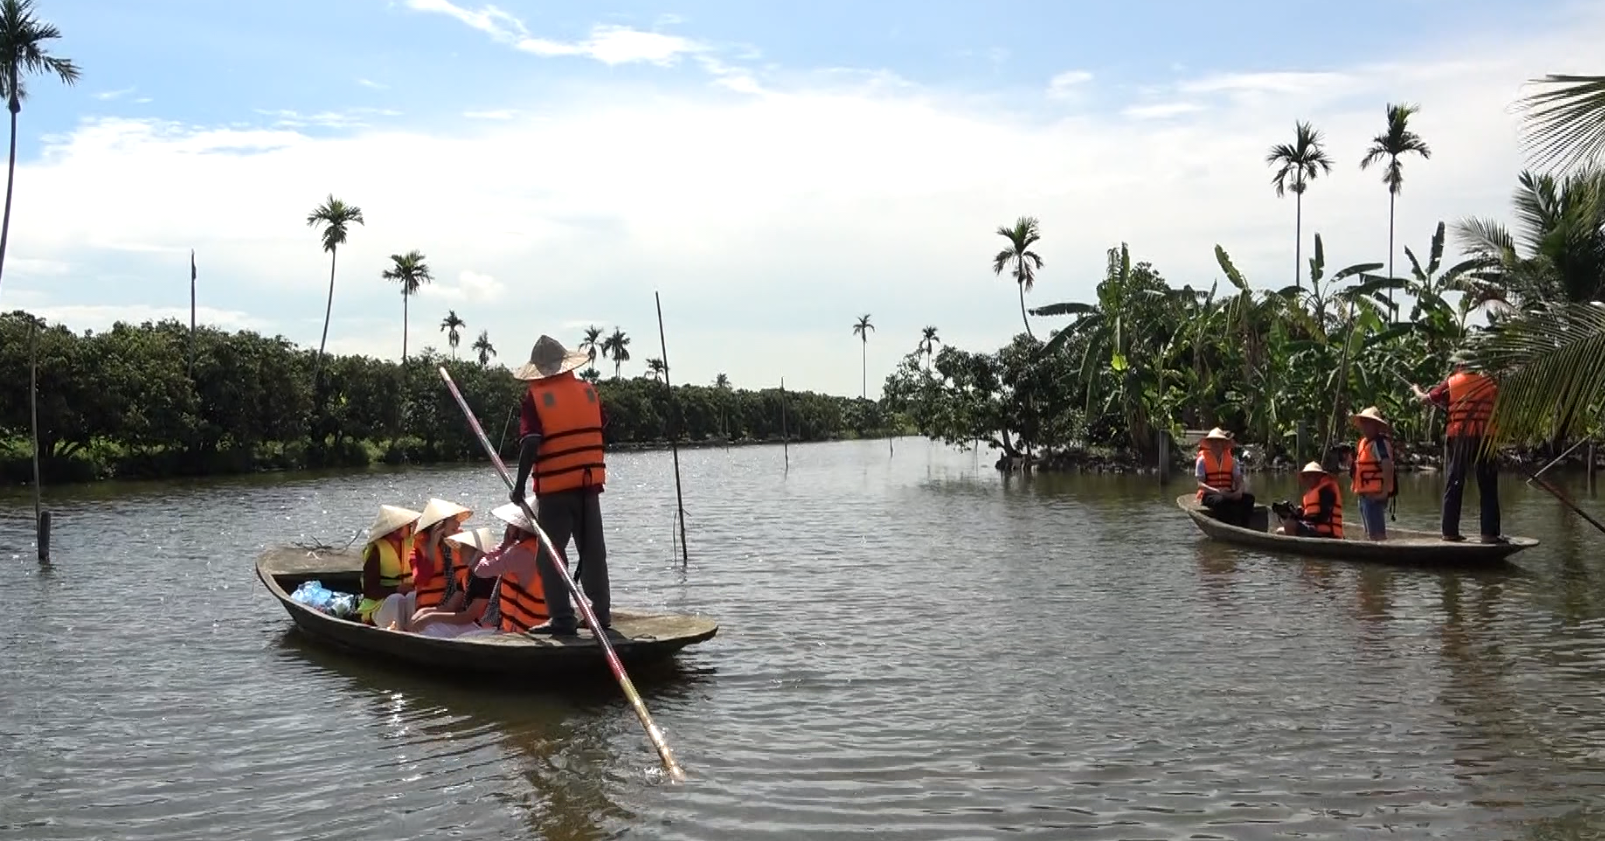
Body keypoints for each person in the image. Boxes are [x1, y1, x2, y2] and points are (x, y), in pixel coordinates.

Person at [509, 335, 612, 636]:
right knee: (593, 551)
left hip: (555, 490)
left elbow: (531, 442)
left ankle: (563, 619)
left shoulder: (536, 397)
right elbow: (600, 427)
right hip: (588, 484)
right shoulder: (588, 391)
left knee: (550, 554)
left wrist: (518, 488)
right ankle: (601, 614)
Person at [1412, 351, 1505, 543]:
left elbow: (1426, 399)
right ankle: (1489, 534)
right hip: (1485, 437)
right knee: (1488, 486)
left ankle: (1449, 532)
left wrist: (1416, 390)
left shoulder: (1452, 382)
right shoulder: (1490, 382)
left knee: (1455, 482)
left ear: (1461, 365)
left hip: (1460, 437)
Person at [470, 500, 555, 635]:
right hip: (536, 624)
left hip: (522, 632)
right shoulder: (546, 549)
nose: (508, 527)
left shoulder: (520, 554)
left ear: (517, 527)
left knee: (467, 637)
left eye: (511, 524)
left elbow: (480, 570)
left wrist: (504, 545)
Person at [410, 526, 502, 639]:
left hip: (485, 629)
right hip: (472, 625)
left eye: (465, 547)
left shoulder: (485, 576)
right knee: (428, 625)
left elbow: (469, 616)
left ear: (477, 551)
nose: (459, 550)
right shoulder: (468, 575)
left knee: (431, 629)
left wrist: (430, 617)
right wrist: (424, 612)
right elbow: (450, 607)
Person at [359, 504, 421, 627]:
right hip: (379, 606)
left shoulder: (413, 544)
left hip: (404, 600)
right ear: (396, 529)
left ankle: (414, 631)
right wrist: (396, 589)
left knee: (413, 596)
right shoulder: (376, 551)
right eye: (409, 525)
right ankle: (396, 633)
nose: (413, 528)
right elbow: (369, 591)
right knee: (396, 599)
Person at [409, 497, 473, 614]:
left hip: (462, 610)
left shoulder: (464, 544)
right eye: (453, 519)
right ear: (439, 525)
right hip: (432, 611)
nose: (458, 523)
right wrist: (432, 545)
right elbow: (422, 580)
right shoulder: (416, 552)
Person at [1348, 406, 1396, 542]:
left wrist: (1384, 492)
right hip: (1364, 496)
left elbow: (1387, 466)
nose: (1364, 426)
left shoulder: (1380, 444)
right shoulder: (1364, 443)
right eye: (1363, 422)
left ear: (1376, 425)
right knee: (1370, 533)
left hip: (1374, 496)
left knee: (1377, 535)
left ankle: (1382, 558)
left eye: (1368, 422)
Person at [1195, 427, 1255, 527]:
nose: (1216, 444)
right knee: (1221, 501)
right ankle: (1225, 525)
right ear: (1209, 444)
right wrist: (1218, 491)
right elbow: (1200, 484)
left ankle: (1245, 526)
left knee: (1249, 498)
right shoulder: (1202, 460)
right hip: (1211, 494)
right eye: (1213, 442)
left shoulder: (1231, 460)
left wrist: (1239, 491)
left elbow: (1239, 479)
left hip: (1227, 492)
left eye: (1218, 441)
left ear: (1223, 444)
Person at [1275, 462, 1345, 539]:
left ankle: (1299, 549)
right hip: (1314, 528)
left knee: (1289, 524)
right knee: (1280, 531)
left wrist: (1302, 519)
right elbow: (1308, 514)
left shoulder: (1327, 490)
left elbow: (1323, 516)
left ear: (1318, 476)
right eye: (1306, 476)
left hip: (1327, 533)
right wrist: (1293, 513)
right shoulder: (1311, 493)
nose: (1307, 479)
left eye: (1311, 476)